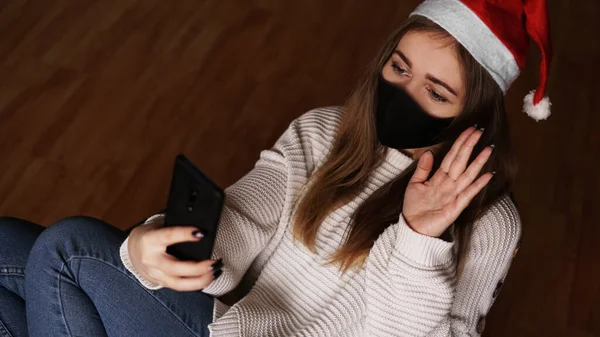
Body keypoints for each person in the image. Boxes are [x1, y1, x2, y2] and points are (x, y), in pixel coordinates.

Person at [0, 0, 552, 336]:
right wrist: (156, 249)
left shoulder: (489, 221)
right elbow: (243, 221)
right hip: (231, 321)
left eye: (435, 92)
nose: (403, 94)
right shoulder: (327, 130)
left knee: (68, 251)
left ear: (473, 112)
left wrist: (418, 239)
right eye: (399, 67)